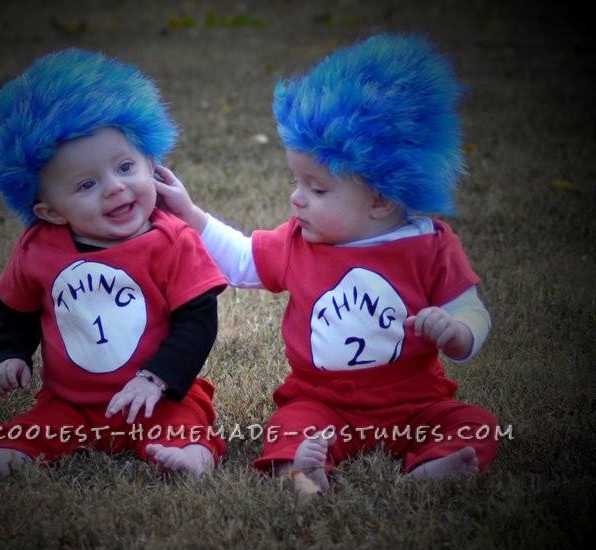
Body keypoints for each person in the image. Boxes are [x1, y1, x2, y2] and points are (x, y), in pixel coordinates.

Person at [157, 33, 499, 502]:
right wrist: (191, 215)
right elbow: (238, 259)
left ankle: (437, 464)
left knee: (475, 423)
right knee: (287, 426)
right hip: (322, 405)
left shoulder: (430, 245)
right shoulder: (299, 241)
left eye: (317, 189)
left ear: (380, 198)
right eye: (297, 181)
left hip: (418, 406)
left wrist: (458, 331)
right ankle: (300, 473)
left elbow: (472, 312)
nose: (296, 197)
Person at [0, 48, 227, 485]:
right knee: (25, 436)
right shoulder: (39, 249)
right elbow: (17, 308)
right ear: (51, 212)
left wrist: (156, 380)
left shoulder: (172, 241)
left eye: (125, 166)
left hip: (158, 398)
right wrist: (10, 354)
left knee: (185, 428)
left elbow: (198, 321)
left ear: (152, 164)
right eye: (87, 184)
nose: (115, 187)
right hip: (69, 403)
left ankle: (193, 463)